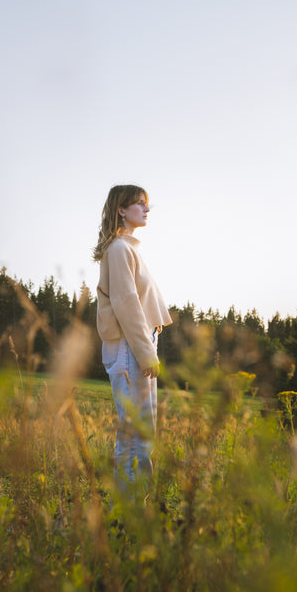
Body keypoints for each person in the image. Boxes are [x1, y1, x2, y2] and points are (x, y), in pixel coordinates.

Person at [93, 184, 172, 502]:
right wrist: (146, 351)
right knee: (134, 429)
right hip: (129, 346)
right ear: (122, 209)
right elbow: (127, 304)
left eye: (147, 204)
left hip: (134, 343)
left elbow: (135, 301)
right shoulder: (119, 249)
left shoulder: (126, 248)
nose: (147, 209)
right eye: (140, 204)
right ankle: (126, 507)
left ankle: (138, 501)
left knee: (142, 428)